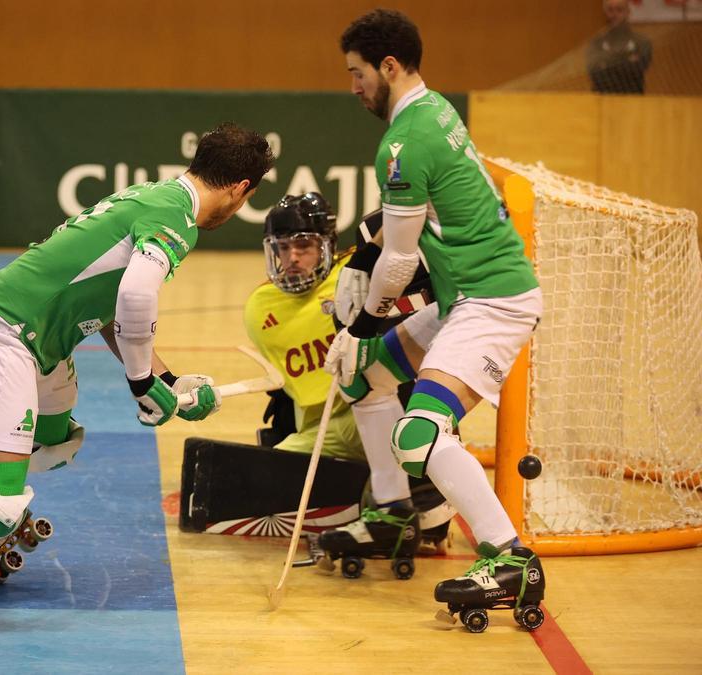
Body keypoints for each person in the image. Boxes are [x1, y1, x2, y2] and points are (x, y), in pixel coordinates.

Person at [0, 123, 273, 593]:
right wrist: (143, 385)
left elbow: (106, 306)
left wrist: (166, 379)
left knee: (52, 443)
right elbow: (137, 297)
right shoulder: (176, 218)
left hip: (36, 338)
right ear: (243, 190)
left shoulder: (154, 196)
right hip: (5, 331)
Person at [331, 10, 547, 629]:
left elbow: (400, 263)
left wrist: (359, 325)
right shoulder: (436, 111)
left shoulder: (403, 141)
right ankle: (393, 518)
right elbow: (402, 230)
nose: (353, 88)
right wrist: (363, 266)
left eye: (357, 73)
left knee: (419, 435)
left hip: (493, 303)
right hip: (464, 301)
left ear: (388, 67)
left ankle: (510, 559)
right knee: (363, 378)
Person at [245, 194, 452, 566]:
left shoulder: (360, 281)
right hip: (329, 427)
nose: (292, 258)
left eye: (304, 246)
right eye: (283, 248)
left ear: (327, 246)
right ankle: (392, 494)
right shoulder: (260, 308)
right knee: (259, 481)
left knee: (396, 385)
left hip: (382, 408)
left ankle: (425, 489)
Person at [586, 0, 652, 95]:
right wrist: (627, 60)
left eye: (619, 10)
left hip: (633, 100)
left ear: (628, 12)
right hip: (602, 101)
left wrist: (607, 63)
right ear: (605, 13)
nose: (614, 14)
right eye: (610, 10)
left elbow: (638, 70)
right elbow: (595, 74)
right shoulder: (596, 43)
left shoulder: (642, 42)